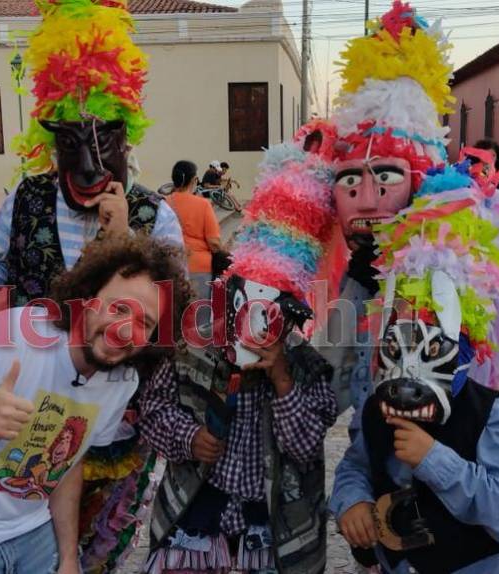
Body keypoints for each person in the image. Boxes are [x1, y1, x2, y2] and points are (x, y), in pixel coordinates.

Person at [0, 3, 192, 570]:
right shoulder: (27, 197)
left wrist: (120, 240)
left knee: (97, 550)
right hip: (26, 409)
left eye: (104, 143)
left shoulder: (154, 214)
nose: (89, 164)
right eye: (71, 143)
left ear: (127, 140)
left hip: (115, 416)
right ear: (53, 142)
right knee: (29, 536)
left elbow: (173, 323)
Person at [0, 235, 191, 574]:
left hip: (32, 532)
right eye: (118, 308)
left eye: (143, 323)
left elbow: (70, 462)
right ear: (87, 299)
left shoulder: (121, 381)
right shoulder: (11, 336)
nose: (124, 330)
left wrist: (69, 557)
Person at [333, 156, 499, 574]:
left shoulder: (491, 415)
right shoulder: (378, 408)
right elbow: (356, 464)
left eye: (430, 344)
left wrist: (435, 459)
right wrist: (354, 501)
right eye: (399, 338)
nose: (412, 359)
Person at [145, 141, 338, 573]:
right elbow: (153, 410)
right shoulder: (192, 344)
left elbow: (305, 448)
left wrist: (283, 379)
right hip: (196, 514)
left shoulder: (307, 368)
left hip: (270, 526)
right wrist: (188, 437)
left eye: (271, 310)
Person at [298, 0, 453, 421]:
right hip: (368, 463)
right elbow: (327, 390)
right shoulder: (358, 279)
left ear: (422, 185)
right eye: (349, 180)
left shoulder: (455, 278)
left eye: (385, 178)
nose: (366, 199)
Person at [165, 160, 222, 303]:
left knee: (173, 317)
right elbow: (214, 243)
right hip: (199, 267)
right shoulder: (203, 204)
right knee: (198, 317)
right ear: (194, 180)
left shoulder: (163, 202)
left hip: (169, 266)